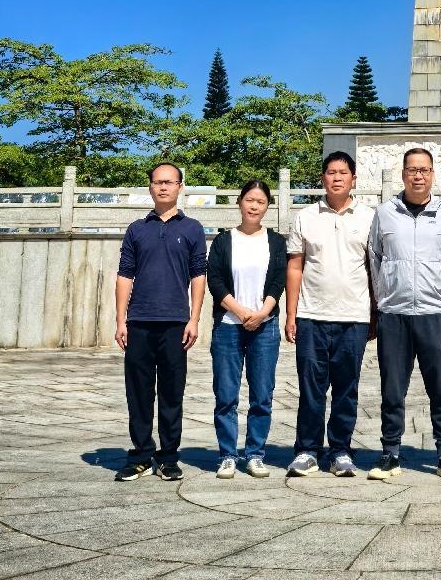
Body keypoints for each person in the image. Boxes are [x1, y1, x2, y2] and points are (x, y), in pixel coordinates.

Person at [367, 148, 441, 482]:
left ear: (433, 174)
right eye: (412, 170)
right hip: (394, 313)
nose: (418, 176)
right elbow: (375, 258)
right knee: (392, 388)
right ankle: (390, 453)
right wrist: (381, 301)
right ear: (403, 174)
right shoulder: (385, 213)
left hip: (434, 312)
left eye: (424, 170)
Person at [114, 162, 207, 482]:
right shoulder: (136, 229)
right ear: (150, 187)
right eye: (157, 182)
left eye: (169, 182)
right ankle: (140, 455)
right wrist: (120, 320)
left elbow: (198, 275)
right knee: (138, 393)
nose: (163, 187)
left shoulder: (192, 228)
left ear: (180, 186)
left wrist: (194, 319)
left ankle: (168, 456)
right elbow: (125, 274)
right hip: (139, 321)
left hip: (175, 323)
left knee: (171, 393)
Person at [285, 150, 374, 477]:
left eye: (343, 173)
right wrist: (291, 314)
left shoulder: (369, 217)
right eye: (331, 172)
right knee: (311, 387)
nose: (337, 178)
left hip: (354, 316)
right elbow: (295, 266)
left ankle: (340, 451)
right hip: (312, 315)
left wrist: (375, 312)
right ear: (323, 178)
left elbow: (374, 269)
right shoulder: (306, 216)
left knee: (347, 388)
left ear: (353, 179)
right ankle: (307, 450)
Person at [207, 179, 286, 479]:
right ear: (240, 202)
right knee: (226, 394)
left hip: (264, 327)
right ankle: (228, 455)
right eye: (250, 200)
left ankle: (255, 454)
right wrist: (240, 312)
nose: (254, 206)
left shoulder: (275, 242)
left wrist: (262, 313)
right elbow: (215, 280)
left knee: (262, 394)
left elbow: (278, 280)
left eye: (261, 202)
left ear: (267, 207)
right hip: (228, 326)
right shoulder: (224, 240)